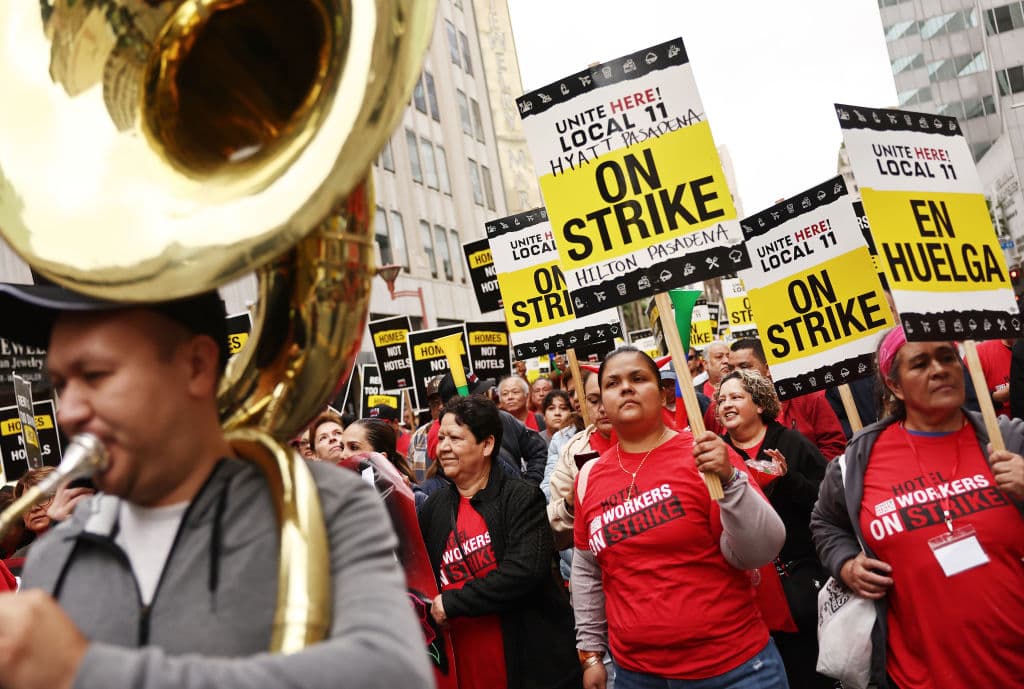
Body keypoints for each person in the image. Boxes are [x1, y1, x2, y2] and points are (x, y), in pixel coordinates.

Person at [0, 283, 431, 689]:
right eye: (60, 385)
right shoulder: (58, 554)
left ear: (196, 366)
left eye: (95, 375)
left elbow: (389, 673)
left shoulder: (319, 504)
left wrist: (86, 669)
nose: (69, 411)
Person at [811, 328, 1024, 689]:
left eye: (946, 357)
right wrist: (846, 562)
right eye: (920, 363)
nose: (939, 369)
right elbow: (825, 523)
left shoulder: (1009, 439)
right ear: (894, 386)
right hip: (915, 676)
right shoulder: (857, 461)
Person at [572, 347, 788, 689]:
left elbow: (759, 551)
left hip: (734, 669)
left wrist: (731, 479)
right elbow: (587, 570)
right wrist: (592, 654)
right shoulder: (588, 477)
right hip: (637, 676)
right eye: (613, 383)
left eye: (638, 379)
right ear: (601, 403)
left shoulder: (705, 453)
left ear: (663, 395)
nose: (625, 388)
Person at [418, 396, 581, 689]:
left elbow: (524, 572)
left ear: (487, 444)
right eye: (441, 437)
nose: (443, 447)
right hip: (465, 665)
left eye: (455, 438)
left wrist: (454, 602)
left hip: (527, 664)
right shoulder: (434, 507)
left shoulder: (521, 498)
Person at [716, 369, 830, 688]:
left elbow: (827, 500)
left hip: (803, 576)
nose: (727, 404)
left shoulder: (790, 442)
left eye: (736, 397)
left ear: (760, 405)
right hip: (750, 586)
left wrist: (787, 480)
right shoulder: (719, 457)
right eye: (721, 399)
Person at [720, 338, 847, 460]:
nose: (736, 374)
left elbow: (834, 447)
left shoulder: (807, 397)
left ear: (768, 369)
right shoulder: (730, 409)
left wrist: (811, 475)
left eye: (744, 366)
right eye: (731, 369)